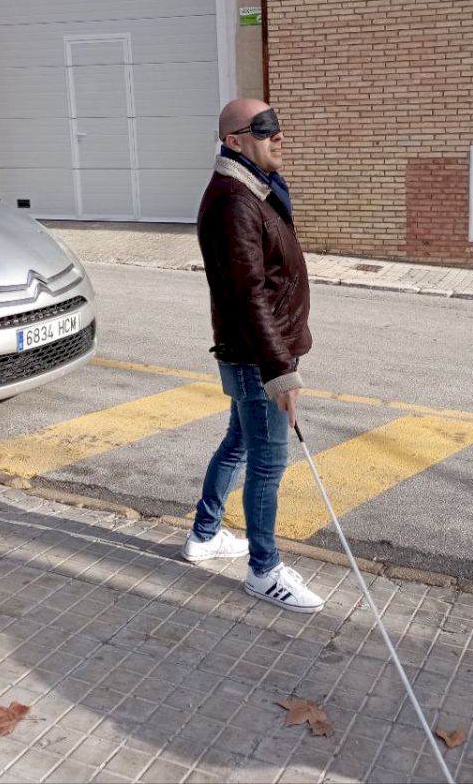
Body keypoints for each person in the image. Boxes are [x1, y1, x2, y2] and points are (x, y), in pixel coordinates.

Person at [179, 98, 324, 613]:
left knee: (240, 442)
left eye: (277, 125)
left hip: (256, 351)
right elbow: (248, 296)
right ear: (235, 141)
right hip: (256, 357)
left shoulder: (254, 188)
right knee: (268, 462)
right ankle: (264, 571)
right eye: (264, 129)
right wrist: (279, 370)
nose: (277, 135)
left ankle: (204, 535)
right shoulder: (235, 202)